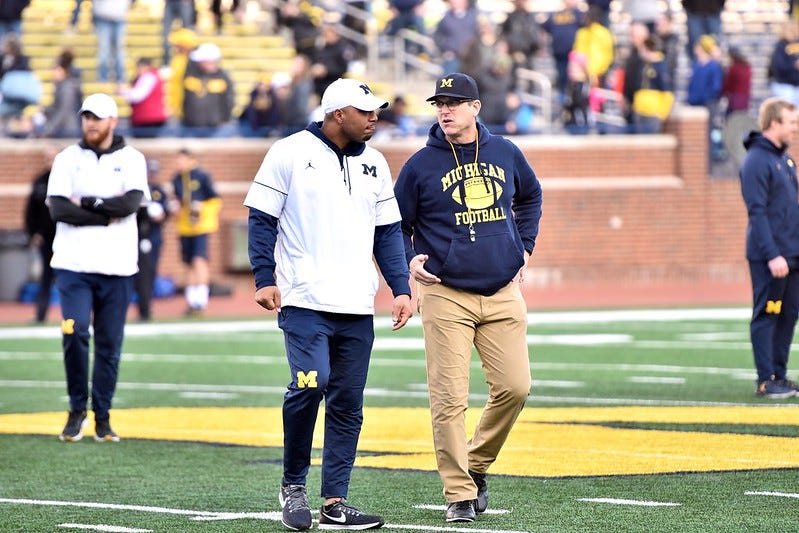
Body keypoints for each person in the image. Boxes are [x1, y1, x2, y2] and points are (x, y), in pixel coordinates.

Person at [243, 77, 413, 531]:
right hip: (303, 298)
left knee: (348, 403)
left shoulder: (376, 162)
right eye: (366, 111)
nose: (375, 117)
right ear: (338, 114)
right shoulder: (288, 152)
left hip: (357, 303)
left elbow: (388, 232)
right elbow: (261, 220)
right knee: (310, 383)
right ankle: (293, 485)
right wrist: (265, 278)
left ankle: (335, 500)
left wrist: (400, 288)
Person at [393, 73, 543, 522]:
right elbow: (395, 224)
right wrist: (408, 262)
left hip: (502, 291)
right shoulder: (420, 164)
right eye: (440, 103)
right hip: (445, 294)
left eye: (455, 102)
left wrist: (526, 246)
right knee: (449, 398)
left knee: (516, 387)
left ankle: (475, 464)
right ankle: (459, 494)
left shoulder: (506, 151)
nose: (445, 109)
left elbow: (531, 197)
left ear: (475, 107)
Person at [47, 92, 149, 442]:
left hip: (118, 266)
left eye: (97, 117)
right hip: (73, 264)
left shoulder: (132, 158)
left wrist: (88, 202)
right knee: (74, 331)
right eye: (86, 116)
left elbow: (130, 204)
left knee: (110, 343)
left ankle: (102, 416)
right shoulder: (66, 158)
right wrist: (105, 214)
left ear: (112, 121)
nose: (91, 122)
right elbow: (58, 209)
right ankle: (77, 409)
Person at [739, 97, 799, 399]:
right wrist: (772, 253)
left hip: (792, 255)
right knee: (768, 314)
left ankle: (780, 374)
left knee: (788, 315)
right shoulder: (756, 162)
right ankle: (765, 379)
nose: (796, 128)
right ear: (774, 123)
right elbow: (757, 212)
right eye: (792, 122)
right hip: (771, 257)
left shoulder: (785, 160)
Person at [171, 148, 221, 316]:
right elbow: (179, 201)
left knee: (199, 260)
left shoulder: (201, 176)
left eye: (181, 160)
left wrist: (201, 210)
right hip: (185, 227)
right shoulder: (177, 179)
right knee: (189, 264)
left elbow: (215, 200)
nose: (179, 164)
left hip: (201, 226)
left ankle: (201, 301)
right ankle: (192, 302)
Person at [23, 146, 58, 323]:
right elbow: (30, 211)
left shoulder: (65, 180)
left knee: (71, 277)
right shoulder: (39, 182)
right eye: (47, 158)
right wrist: (33, 233)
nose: (50, 162)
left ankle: (76, 315)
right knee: (45, 277)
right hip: (46, 237)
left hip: (66, 238)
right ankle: (41, 314)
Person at [135, 158, 169, 322]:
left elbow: (165, 212)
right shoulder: (140, 190)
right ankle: (143, 309)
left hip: (154, 237)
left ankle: (146, 309)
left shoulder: (159, 191)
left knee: (150, 273)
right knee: (140, 275)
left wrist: (163, 215)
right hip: (140, 237)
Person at [181, 42, 236, 137]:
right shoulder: (191, 74)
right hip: (191, 126)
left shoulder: (223, 78)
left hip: (216, 128)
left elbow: (229, 101)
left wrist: (224, 119)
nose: (198, 63)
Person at [124, 57, 168, 138]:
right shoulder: (153, 76)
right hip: (149, 117)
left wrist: (123, 91)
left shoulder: (148, 77)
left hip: (148, 119)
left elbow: (138, 95)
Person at [92, 0, 131, 85]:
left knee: (119, 50)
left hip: (120, 16)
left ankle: (120, 77)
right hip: (103, 16)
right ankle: (103, 77)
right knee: (104, 49)